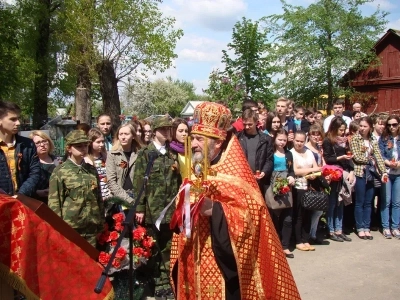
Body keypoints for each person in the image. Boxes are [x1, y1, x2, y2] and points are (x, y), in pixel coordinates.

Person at [170, 102, 300, 299]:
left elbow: (250, 221)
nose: (193, 144)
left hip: (222, 267)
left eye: (198, 139)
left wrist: (215, 209)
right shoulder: (195, 171)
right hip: (192, 258)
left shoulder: (236, 177)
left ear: (218, 142)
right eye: (192, 138)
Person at [134, 116, 180, 298]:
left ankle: (165, 283)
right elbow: (139, 183)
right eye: (163, 129)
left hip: (170, 211)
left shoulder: (172, 154)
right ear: (154, 131)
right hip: (153, 210)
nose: (167, 132)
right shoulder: (146, 154)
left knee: (167, 247)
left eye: (169, 129)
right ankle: (153, 282)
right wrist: (139, 209)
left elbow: (177, 183)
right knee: (152, 247)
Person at [48, 130, 104, 247]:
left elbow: (98, 197)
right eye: (79, 146)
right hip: (72, 227)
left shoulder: (91, 169)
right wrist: (58, 229)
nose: (83, 148)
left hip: (91, 225)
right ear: (69, 148)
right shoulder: (60, 171)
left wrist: (100, 223)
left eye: (85, 145)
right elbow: (55, 203)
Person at [350, 116, 387, 240]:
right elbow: (356, 157)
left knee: (368, 202)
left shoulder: (372, 139)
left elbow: (378, 156)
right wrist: (370, 159)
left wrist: (383, 172)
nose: (362, 128)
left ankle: (367, 227)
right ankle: (360, 227)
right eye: (361, 126)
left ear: (370, 127)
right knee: (360, 202)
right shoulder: (355, 138)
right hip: (360, 173)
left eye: (365, 126)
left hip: (371, 173)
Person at [323, 117, 355, 242]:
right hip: (334, 173)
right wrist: (340, 157)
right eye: (340, 130)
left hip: (345, 173)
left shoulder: (345, 140)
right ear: (334, 129)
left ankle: (339, 229)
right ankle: (330, 230)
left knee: (341, 202)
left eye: (344, 130)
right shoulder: (328, 140)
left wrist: (352, 171)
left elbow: (349, 156)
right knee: (332, 203)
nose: (343, 132)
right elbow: (328, 158)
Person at [0, 101, 40, 197]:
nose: (18, 123)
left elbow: (35, 173)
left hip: (23, 203)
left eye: (18, 119)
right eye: (13, 119)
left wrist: (21, 195)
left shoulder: (28, 144)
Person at [291, 131, 322, 251]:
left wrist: (310, 171)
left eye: (301, 141)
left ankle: (305, 238)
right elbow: (295, 171)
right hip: (298, 187)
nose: (299, 143)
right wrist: (311, 169)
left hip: (309, 186)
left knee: (308, 214)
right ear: (293, 140)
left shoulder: (308, 152)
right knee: (298, 215)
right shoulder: (291, 153)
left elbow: (317, 168)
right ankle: (298, 240)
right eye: (297, 141)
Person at [269, 129, 295, 258]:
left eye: (284, 140)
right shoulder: (270, 153)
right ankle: (275, 245)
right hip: (273, 184)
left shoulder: (289, 154)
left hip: (286, 185)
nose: (282, 142)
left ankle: (285, 246)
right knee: (273, 216)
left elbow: (291, 169)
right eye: (280, 139)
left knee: (288, 218)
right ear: (274, 139)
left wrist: (291, 176)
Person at [237, 109, 273, 196]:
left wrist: (264, 171)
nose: (246, 127)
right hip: (242, 179)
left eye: (250, 124)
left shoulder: (266, 139)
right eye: (244, 124)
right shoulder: (238, 137)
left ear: (256, 122)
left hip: (259, 180)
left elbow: (269, 159)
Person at [106, 123, 142, 204]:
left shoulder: (140, 154)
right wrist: (128, 199)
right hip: (119, 198)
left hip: (137, 197)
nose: (123, 137)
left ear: (133, 136)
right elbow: (111, 182)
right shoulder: (112, 154)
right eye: (120, 134)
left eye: (126, 134)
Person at [378, 115, 400, 239]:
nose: (392, 127)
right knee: (386, 200)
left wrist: (398, 163)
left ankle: (395, 227)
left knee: (397, 202)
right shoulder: (384, 138)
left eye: (394, 124)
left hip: (398, 173)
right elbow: (380, 154)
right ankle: (386, 227)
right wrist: (388, 163)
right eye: (389, 125)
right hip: (386, 172)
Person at [304, 124, 325, 244]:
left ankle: (313, 233)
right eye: (313, 134)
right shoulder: (306, 148)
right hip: (309, 180)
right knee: (310, 209)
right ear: (309, 135)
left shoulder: (318, 148)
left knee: (319, 209)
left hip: (318, 179)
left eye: (318, 134)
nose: (316, 137)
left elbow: (322, 163)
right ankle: (308, 235)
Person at [29, 130, 60, 204]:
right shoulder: (30, 164)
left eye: (44, 141)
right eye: (38, 143)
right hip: (37, 203)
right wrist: (38, 192)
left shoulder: (58, 161)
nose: (42, 145)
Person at [86, 128, 110, 201]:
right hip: (96, 198)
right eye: (98, 142)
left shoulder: (106, 156)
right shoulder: (86, 159)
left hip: (109, 196)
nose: (101, 144)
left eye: (103, 141)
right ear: (90, 143)